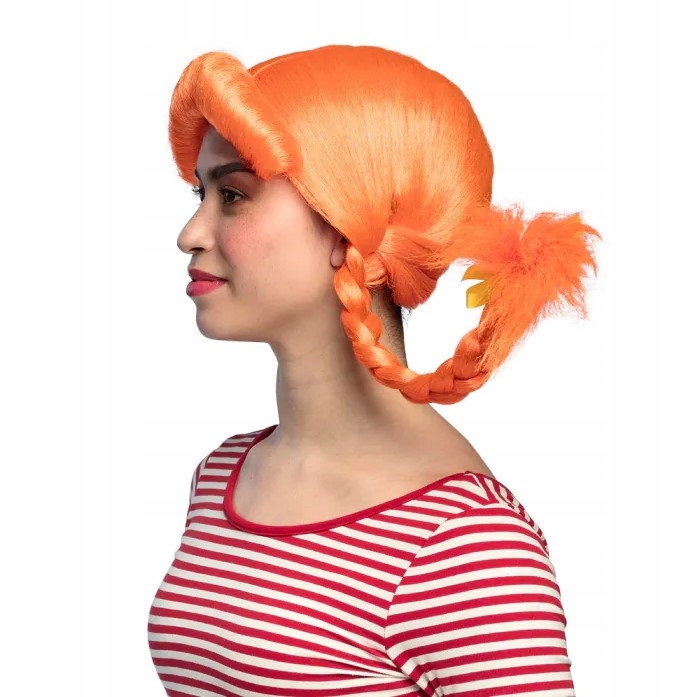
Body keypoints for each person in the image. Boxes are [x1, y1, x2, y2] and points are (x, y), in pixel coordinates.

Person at [148, 44, 600, 696]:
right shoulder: (221, 474)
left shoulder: (466, 544)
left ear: (346, 225)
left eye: (233, 194)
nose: (190, 232)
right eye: (201, 193)